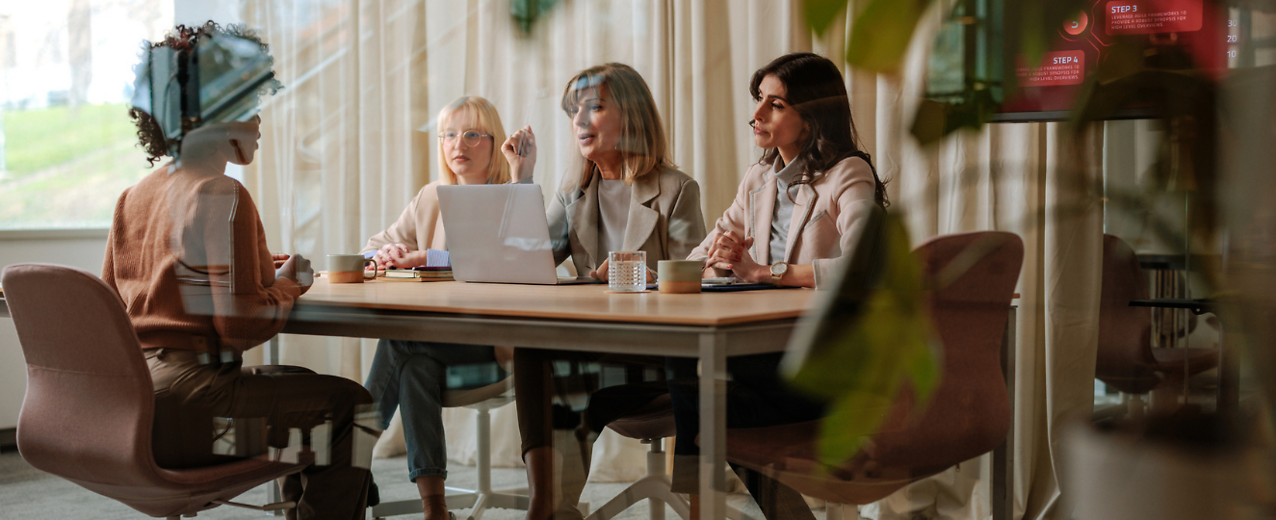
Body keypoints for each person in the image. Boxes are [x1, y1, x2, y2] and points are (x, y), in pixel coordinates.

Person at [104, 22, 377, 520]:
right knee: (352, 409)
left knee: (300, 384)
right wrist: (291, 283)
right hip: (199, 420)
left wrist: (254, 273)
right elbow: (241, 325)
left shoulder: (133, 197)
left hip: (134, 407)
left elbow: (118, 304)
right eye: (248, 108)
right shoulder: (222, 193)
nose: (257, 123)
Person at [670, 52, 889, 520]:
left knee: (702, 389)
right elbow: (703, 254)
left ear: (810, 117)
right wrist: (707, 263)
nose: (757, 114)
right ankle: (710, 508)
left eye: (775, 105)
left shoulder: (847, 173)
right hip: (766, 351)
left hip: (825, 362)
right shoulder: (758, 178)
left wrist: (764, 273)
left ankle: (712, 509)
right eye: (758, 101)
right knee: (689, 369)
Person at [515, 62, 707, 520]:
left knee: (570, 384)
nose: (580, 120)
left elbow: (694, 280)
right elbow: (525, 263)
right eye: (574, 111)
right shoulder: (572, 196)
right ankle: (548, 506)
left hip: (660, 359)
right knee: (532, 349)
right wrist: (522, 178)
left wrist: (632, 276)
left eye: (595, 108)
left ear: (633, 116)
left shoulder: (676, 190)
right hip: (594, 352)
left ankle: (553, 506)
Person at [360, 95, 534, 520]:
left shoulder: (510, 195)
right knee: (414, 366)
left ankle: (351, 454)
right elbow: (372, 246)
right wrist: (388, 253)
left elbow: (511, 262)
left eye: (473, 134)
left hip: (491, 352)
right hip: (434, 348)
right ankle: (434, 507)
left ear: (494, 143)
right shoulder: (432, 197)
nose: (460, 144)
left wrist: (427, 258)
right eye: (450, 135)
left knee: (401, 338)